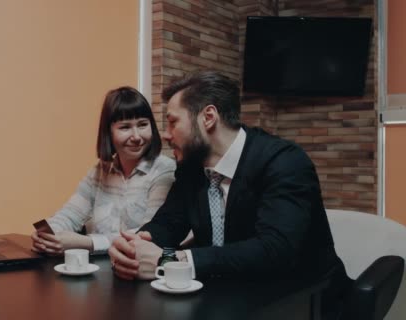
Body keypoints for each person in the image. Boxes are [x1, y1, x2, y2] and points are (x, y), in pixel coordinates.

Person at [108, 71, 351, 316]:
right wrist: (134, 246)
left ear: (208, 117)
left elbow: (275, 250)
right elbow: (169, 221)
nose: (167, 134)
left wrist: (169, 260)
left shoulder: (285, 162)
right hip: (228, 299)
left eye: (173, 122)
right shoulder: (191, 167)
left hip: (307, 303)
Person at [32, 86, 176, 255]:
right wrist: (49, 234)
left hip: (138, 270)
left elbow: (149, 234)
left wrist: (88, 242)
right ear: (108, 132)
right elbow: (70, 214)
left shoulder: (165, 170)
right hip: (98, 270)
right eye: (125, 127)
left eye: (143, 125)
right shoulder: (100, 171)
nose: (137, 136)